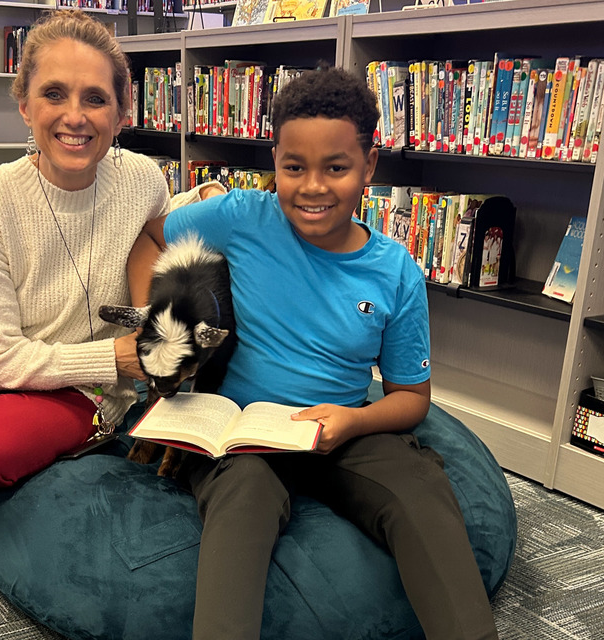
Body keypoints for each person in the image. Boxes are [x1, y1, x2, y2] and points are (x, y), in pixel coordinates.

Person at [129, 66, 499, 639]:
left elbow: (411, 399)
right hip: (247, 434)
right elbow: (151, 238)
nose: (313, 187)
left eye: (337, 167)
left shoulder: (394, 270)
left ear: (369, 167)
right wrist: (153, 320)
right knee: (242, 499)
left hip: (344, 429)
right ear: (274, 160)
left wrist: (354, 420)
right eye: (293, 167)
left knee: (422, 493)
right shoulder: (241, 216)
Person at [0, 9, 222, 599]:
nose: (75, 116)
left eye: (95, 98)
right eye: (53, 94)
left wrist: (211, 195)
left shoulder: (142, 180)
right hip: (13, 357)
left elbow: (164, 228)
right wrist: (121, 357)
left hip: (85, 390)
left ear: (121, 113)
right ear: (25, 104)